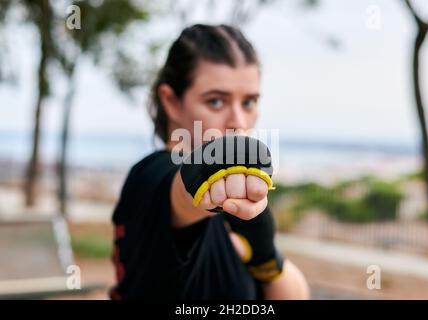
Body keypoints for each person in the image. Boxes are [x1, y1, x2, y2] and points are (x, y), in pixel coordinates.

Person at [109, 23, 310, 300]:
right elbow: (183, 190)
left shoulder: (235, 205)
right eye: (216, 102)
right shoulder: (148, 178)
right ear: (171, 102)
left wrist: (266, 260)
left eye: (249, 102)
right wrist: (210, 169)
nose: (238, 122)